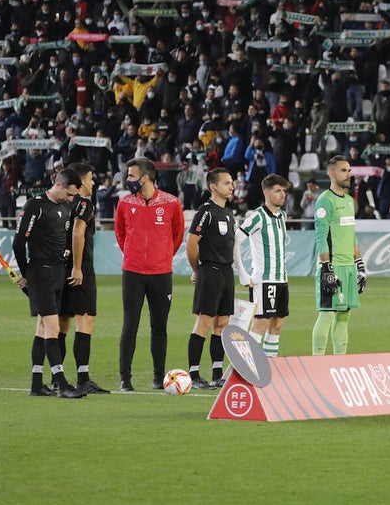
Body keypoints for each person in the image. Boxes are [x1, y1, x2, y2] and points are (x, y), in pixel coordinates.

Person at [12, 168, 85, 398]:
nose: (71, 199)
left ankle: (36, 385)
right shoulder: (35, 206)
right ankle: (62, 384)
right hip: (40, 273)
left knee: (43, 328)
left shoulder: (65, 207)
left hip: (57, 272)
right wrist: (26, 273)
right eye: (70, 194)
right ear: (59, 184)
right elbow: (18, 242)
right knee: (53, 329)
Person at [115, 156, 185, 392]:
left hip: (161, 273)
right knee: (130, 325)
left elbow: (177, 235)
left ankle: (158, 378)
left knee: (159, 326)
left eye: (132, 175)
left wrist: (163, 257)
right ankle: (125, 379)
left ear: (145, 177)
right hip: (132, 272)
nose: (128, 179)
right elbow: (120, 234)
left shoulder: (171, 203)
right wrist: (132, 255)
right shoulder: (124, 203)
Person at [56, 162, 108, 394]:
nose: (93, 183)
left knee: (61, 322)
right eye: (90, 179)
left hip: (59, 267)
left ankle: (56, 377)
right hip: (80, 268)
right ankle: (83, 378)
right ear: (79, 181)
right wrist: (77, 268)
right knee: (85, 319)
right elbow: (78, 232)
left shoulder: (60, 202)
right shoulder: (84, 204)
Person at [185, 167, 237, 389]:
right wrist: (198, 269)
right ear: (213, 186)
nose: (231, 186)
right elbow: (191, 244)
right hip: (210, 271)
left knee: (222, 324)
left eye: (232, 182)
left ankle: (217, 374)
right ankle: (194, 374)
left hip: (227, 272)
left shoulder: (229, 213)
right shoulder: (205, 211)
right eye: (227, 183)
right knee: (204, 323)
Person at [312, 156, 366, 355]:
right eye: (343, 170)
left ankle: (339, 362)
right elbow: (321, 237)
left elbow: (352, 234)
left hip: (349, 267)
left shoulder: (350, 201)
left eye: (349, 170)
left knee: (344, 316)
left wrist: (359, 264)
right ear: (331, 173)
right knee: (326, 315)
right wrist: (326, 267)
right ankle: (317, 362)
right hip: (332, 267)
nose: (348, 174)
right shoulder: (325, 201)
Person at [237, 173, 292, 358]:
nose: (283, 194)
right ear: (266, 193)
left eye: (284, 191)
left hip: (282, 279)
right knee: (261, 323)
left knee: (278, 324)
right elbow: (235, 241)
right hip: (264, 280)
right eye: (278, 191)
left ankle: (270, 365)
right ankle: (247, 366)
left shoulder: (282, 216)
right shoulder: (257, 216)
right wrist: (243, 273)